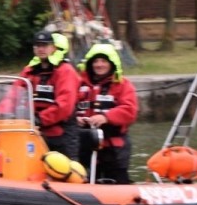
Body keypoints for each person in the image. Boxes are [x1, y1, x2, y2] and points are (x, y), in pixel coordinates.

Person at [8, 30, 80, 160]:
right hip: (34, 131)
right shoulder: (29, 71)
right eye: (38, 45)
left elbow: (64, 105)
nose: (41, 49)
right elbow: (13, 95)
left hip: (61, 134)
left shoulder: (65, 70)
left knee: (64, 171)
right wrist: (2, 115)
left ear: (53, 47)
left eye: (45, 45)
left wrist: (39, 119)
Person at [76, 43, 138, 184]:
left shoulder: (123, 85)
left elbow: (130, 110)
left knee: (118, 180)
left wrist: (106, 117)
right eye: (96, 61)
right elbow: (69, 107)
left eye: (103, 61)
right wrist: (77, 119)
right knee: (86, 178)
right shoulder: (80, 85)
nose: (99, 65)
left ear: (111, 64)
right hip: (86, 146)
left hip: (114, 147)